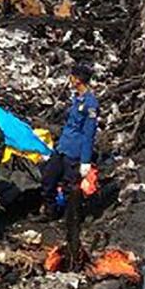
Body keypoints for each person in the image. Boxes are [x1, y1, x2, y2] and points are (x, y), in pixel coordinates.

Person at [42, 63, 100, 265]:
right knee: (48, 177)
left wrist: (85, 160)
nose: (70, 79)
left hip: (75, 152)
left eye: (72, 77)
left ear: (78, 79)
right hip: (63, 147)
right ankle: (50, 211)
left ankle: (67, 220)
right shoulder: (77, 99)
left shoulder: (90, 104)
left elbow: (89, 133)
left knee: (68, 186)